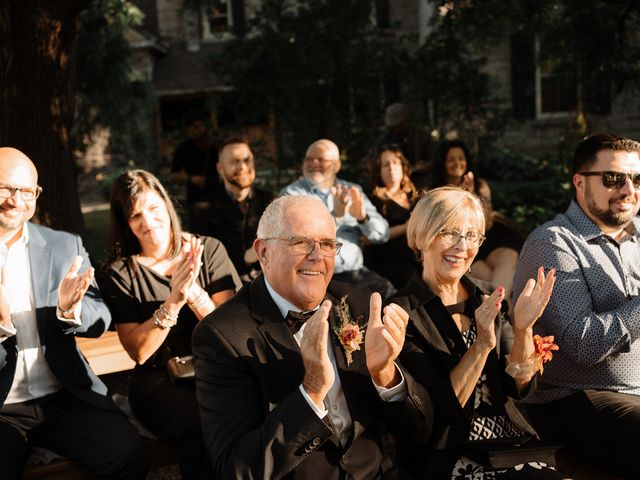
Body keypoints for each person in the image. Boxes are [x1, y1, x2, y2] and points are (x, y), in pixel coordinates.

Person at [193, 195, 433, 479]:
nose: (317, 256)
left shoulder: (358, 303)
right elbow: (236, 470)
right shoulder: (222, 335)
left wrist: (385, 375)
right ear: (264, 252)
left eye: (328, 244)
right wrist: (311, 392)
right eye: (301, 242)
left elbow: (420, 431)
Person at [388, 186, 564, 479]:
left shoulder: (486, 296)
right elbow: (438, 412)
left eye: (472, 236)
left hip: (510, 443)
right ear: (421, 237)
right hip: (449, 452)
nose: (462, 246)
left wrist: (523, 329)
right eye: (449, 232)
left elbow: (518, 385)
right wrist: (481, 344)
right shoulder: (403, 312)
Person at [0, 148, 149, 479]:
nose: (15, 200)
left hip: (63, 397)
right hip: (2, 409)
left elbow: (101, 318)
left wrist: (70, 310)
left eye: (26, 191)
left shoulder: (62, 245)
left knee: (129, 455)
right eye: (5, 188)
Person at [513, 132, 640, 479]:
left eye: (637, 179)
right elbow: (584, 344)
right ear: (580, 183)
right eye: (614, 179)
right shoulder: (553, 242)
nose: (629, 190)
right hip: (575, 398)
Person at [101, 169, 241, 480]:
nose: (147, 222)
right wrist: (173, 302)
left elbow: (233, 331)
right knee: (199, 424)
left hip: (217, 367)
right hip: (158, 379)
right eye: (136, 215)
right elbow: (139, 351)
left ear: (167, 205)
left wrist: (193, 293)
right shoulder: (120, 274)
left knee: (250, 413)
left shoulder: (209, 250)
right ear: (126, 224)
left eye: (153, 209)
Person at [281, 139, 395, 298]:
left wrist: (363, 218)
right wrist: (338, 217)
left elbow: (383, 235)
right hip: (313, 273)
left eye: (320, 159)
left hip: (355, 274)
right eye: (309, 158)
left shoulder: (353, 190)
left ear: (336, 166)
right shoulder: (293, 194)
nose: (313, 163)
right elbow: (303, 237)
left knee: (392, 298)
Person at [433, 140, 527, 307]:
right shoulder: (438, 192)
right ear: (443, 163)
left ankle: (499, 312)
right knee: (498, 287)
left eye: (461, 158)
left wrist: (472, 195)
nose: (457, 163)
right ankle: (503, 312)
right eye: (451, 159)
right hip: (464, 245)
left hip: (490, 236)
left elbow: (487, 220)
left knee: (508, 260)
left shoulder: (480, 185)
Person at [202, 137, 274, 282]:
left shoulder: (271, 201)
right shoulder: (203, 209)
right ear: (220, 169)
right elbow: (205, 259)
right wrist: (245, 258)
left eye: (247, 160)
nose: (242, 167)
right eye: (235, 161)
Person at [365, 144, 420, 289]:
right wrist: (404, 228)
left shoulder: (414, 196)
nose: (391, 168)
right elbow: (366, 239)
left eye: (395, 163)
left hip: (417, 259)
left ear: (403, 167)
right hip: (388, 262)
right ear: (379, 171)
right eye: (385, 164)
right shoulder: (373, 200)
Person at [171, 110, 219, 233]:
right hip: (195, 197)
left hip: (216, 195)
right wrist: (191, 179)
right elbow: (174, 175)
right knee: (199, 232)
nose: (200, 130)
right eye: (195, 127)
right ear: (188, 130)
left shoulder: (213, 145)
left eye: (202, 126)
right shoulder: (183, 148)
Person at [376, 102, 433, 190]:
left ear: (406, 120)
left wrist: (422, 166)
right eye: (392, 126)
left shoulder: (421, 137)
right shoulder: (386, 139)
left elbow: (434, 161)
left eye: (398, 125)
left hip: (419, 183)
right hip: (391, 186)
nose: (395, 129)